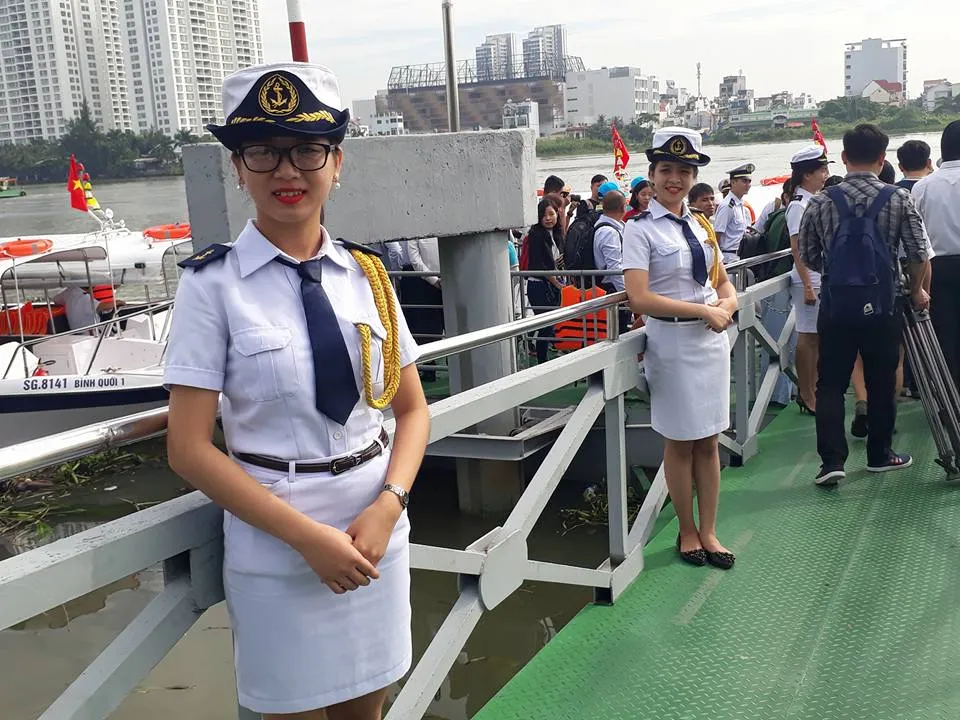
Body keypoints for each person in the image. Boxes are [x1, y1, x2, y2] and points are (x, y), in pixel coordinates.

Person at [163, 62, 430, 720]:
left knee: (368, 711)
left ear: (337, 162)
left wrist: (390, 503)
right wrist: (307, 539)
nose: (287, 171)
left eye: (308, 150)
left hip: (375, 531)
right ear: (238, 168)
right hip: (278, 545)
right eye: (263, 151)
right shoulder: (211, 286)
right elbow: (188, 449)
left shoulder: (368, 276)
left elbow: (412, 410)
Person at [623, 127, 736, 569]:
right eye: (667, 169)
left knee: (709, 440)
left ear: (694, 177)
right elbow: (639, 298)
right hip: (671, 343)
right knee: (680, 442)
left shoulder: (701, 223)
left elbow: (721, 281)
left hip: (710, 342)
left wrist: (727, 304)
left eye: (684, 171)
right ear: (652, 175)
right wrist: (702, 311)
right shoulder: (639, 230)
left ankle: (710, 530)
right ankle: (687, 531)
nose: (675, 179)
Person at [798, 123, 930, 486]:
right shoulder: (898, 198)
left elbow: (808, 254)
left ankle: (831, 462)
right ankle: (879, 454)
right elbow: (918, 252)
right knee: (881, 380)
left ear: (843, 157)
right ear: (882, 158)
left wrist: (838, 273)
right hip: (883, 304)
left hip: (836, 305)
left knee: (830, 383)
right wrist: (915, 289)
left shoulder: (821, 201)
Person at [913, 120, 960, 388]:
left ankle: (950, 397)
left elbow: (916, 238)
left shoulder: (923, 187)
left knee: (944, 334)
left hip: (937, 268)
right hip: (938, 265)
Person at [786, 145, 831, 416]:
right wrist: (806, 285)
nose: (825, 175)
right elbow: (797, 248)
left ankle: (813, 389)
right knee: (808, 337)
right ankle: (806, 393)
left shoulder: (812, 201)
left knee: (817, 337)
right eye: (821, 171)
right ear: (806, 175)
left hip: (817, 275)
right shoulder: (797, 206)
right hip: (808, 277)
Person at [524, 197, 564, 363]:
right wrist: (558, 284)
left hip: (553, 285)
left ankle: (543, 359)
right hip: (539, 286)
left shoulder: (557, 234)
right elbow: (540, 265)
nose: (548, 218)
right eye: (544, 215)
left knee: (550, 325)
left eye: (551, 214)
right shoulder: (536, 235)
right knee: (546, 325)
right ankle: (542, 361)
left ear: (557, 214)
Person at [713, 162, 755, 263]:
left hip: (741, 256)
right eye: (744, 181)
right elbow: (717, 235)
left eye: (749, 181)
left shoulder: (740, 205)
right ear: (733, 182)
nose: (748, 185)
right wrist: (717, 262)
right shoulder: (727, 206)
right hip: (729, 258)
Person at [53, 284, 123, 333]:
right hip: (89, 331)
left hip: (75, 330)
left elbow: (56, 300)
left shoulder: (69, 292)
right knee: (119, 332)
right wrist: (118, 302)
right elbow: (103, 307)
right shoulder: (84, 298)